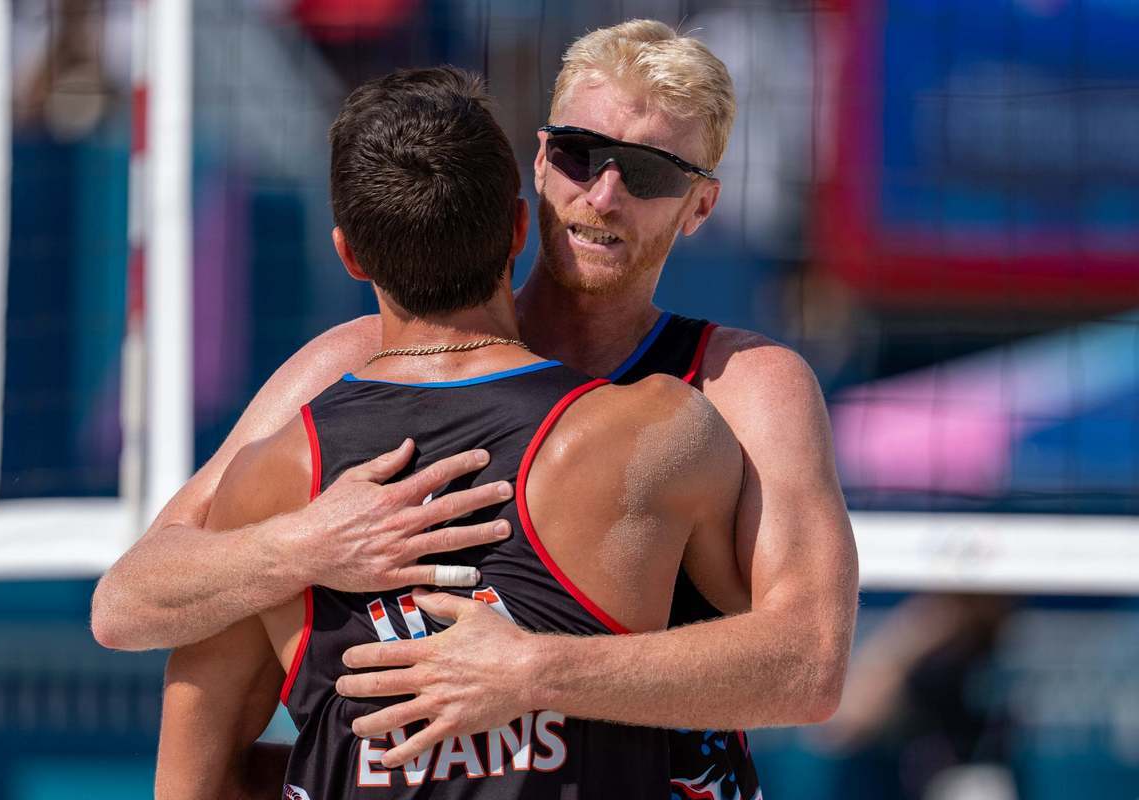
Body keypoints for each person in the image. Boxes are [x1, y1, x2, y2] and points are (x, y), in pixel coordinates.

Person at [93, 19, 858, 800]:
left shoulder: (739, 385)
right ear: (538, 161)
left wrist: (534, 670)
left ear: (699, 206)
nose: (603, 194)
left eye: (649, 174)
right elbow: (130, 602)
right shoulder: (353, 361)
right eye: (579, 154)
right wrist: (305, 544)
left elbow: (812, 666)